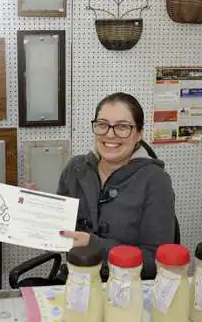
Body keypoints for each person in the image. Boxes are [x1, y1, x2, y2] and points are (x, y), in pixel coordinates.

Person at [56, 92, 176, 279]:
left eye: (122, 127)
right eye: (102, 125)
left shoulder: (155, 181)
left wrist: (94, 245)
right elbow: (59, 232)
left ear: (138, 134)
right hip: (76, 281)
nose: (110, 134)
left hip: (127, 289)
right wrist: (37, 208)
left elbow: (156, 262)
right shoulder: (76, 169)